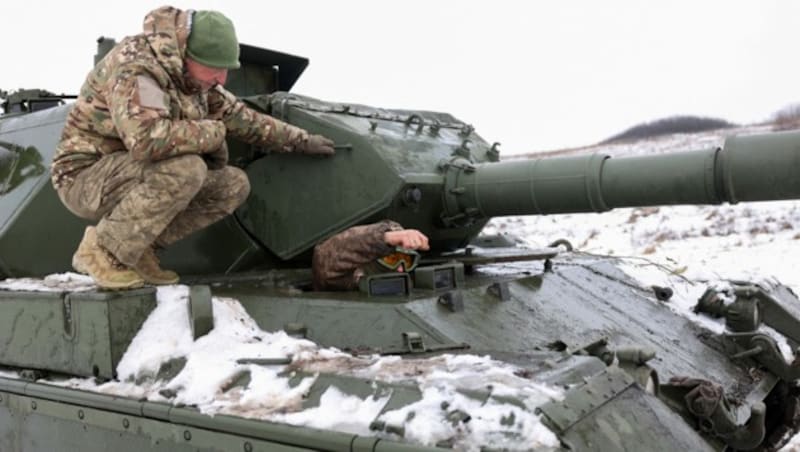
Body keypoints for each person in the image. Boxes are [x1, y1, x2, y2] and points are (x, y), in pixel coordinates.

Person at [50, 7, 335, 289]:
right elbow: (147, 140)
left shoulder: (193, 79)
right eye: (214, 68)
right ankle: (103, 250)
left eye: (225, 69)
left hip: (130, 171)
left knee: (232, 184)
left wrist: (300, 140)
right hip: (84, 177)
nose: (221, 79)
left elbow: (242, 118)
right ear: (186, 53)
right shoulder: (137, 68)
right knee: (186, 168)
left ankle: (140, 249)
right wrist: (212, 133)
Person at [312, 220, 430, 291]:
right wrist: (386, 238)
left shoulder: (407, 284)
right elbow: (325, 261)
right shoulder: (354, 280)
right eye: (391, 259)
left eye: (407, 260)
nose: (400, 268)